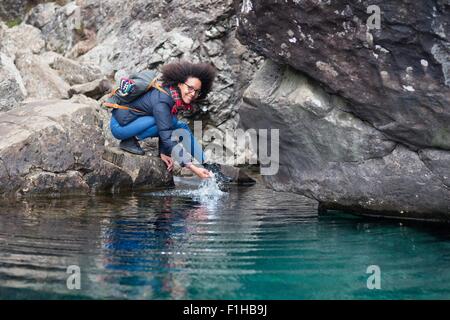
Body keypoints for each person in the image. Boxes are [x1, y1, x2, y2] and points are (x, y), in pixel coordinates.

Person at [109, 61, 232, 183]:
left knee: (180, 125)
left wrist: (164, 152)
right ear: (180, 84)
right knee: (171, 122)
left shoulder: (172, 96)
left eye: (197, 91)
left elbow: (166, 127)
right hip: (120, 126)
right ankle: (129, 141)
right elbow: (166, 133)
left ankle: (210, 167)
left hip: (132, 122)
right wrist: (193, 168)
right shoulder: (163, 100)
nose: (193, 93)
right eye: (190, 88)